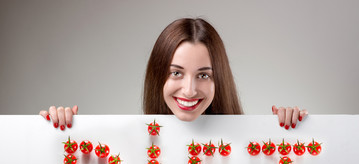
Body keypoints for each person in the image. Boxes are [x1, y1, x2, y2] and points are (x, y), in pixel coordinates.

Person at [39, 18, 307, 129]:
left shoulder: (249, 150)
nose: (189, 90)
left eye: (203, 75)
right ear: (158, 75)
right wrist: (62, 132)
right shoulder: (132, 150)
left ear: (219, 80)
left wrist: (289, 130)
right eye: (176, 73)